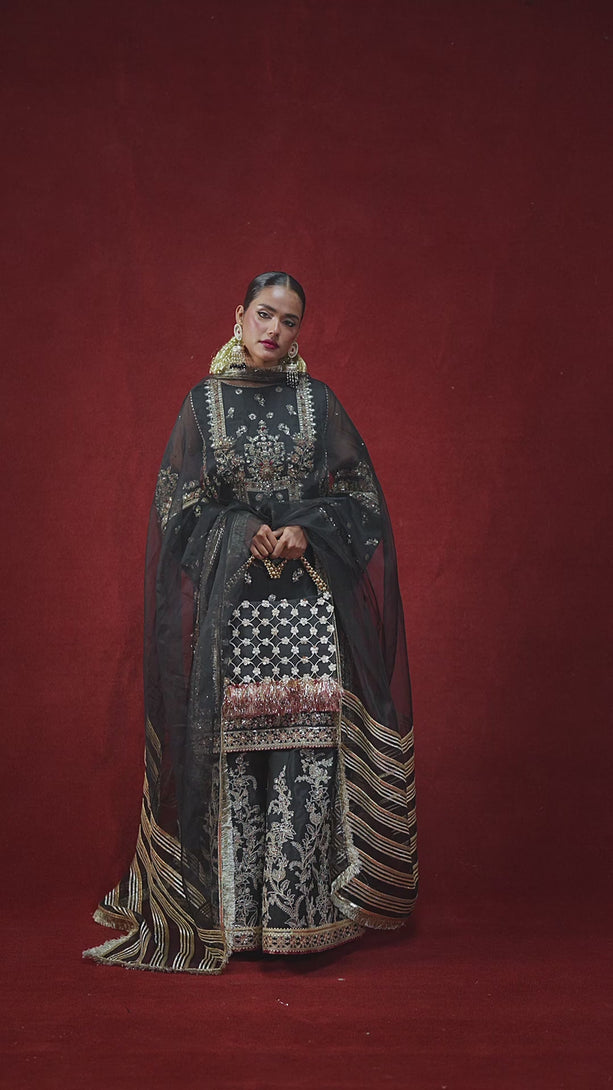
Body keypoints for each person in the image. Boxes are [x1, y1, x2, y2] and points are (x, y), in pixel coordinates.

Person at [84, 271, 417, 974]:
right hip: (233, 612)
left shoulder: (319, 403)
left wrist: (306, 528)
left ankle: (298, 920)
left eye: (290, 321)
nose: (274, 330)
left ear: (300, 332)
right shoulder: (202, 406)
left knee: (305, 746)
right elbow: (177, 513)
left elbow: (363, 504)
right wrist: (239, 530)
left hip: (305, 610)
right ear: (238, 316)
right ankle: (234, 920)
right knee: (236, 752)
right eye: (265, 314)